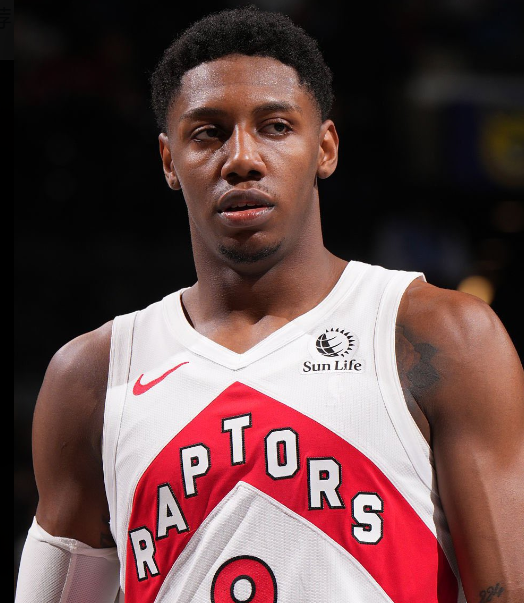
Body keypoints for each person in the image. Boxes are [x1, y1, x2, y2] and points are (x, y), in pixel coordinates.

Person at [15, 6, 523, 603]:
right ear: (169, 161)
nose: (242, 158)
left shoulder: (439, 335)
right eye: (208, 133)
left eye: (275, 126)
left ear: (325, 148)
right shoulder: (93, 376)